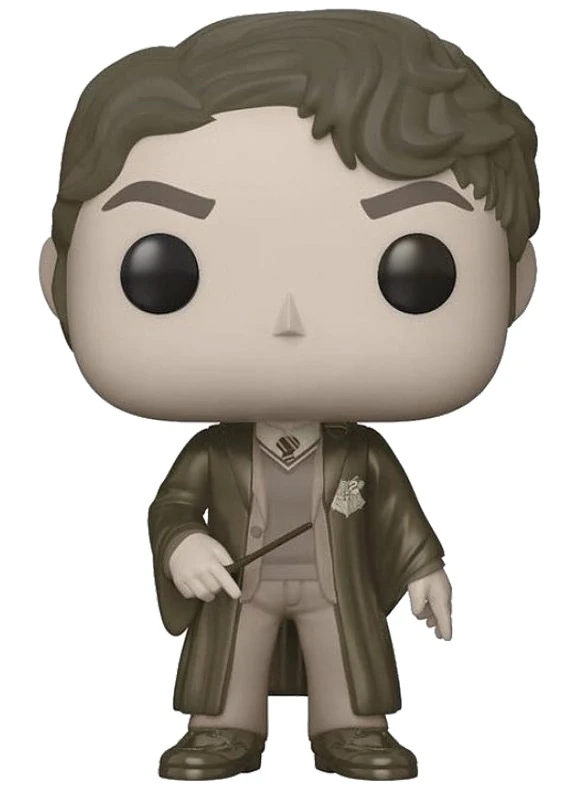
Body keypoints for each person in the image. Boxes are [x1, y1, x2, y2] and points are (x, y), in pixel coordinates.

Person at [39, 9, 539, 781]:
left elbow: (397, 514)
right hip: (242, 578)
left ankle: (351, 729)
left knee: (344, 653)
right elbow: (173, 506)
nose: (288, 320)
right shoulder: (214, 453)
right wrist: (182, 544)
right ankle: (223, 730)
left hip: (335, 585)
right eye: (163, 270)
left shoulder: (360, 455)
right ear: (59, 284)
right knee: (231, 652)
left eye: (414, 272)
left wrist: (425, 568)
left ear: (515, 285)